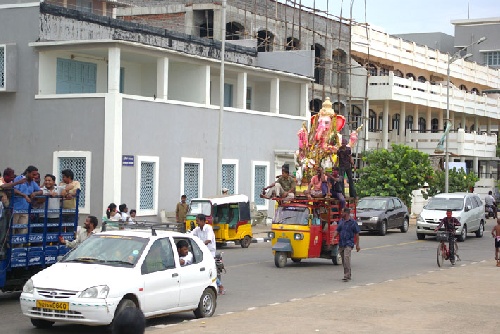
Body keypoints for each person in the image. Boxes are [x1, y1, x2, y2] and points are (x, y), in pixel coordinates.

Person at [13, 166, 43, 234]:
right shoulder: (19, 179)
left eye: (36, 174)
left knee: (23, 231)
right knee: (13, 230)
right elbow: (14, 190)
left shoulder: (32, 182)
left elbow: (40, 191)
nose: (35, 176)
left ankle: (21, 245)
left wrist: (35, 193)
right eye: (33, 174)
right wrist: (24, 195)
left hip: (25, 210)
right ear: (28, 173)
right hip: (16, 209)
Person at [333, 208, 360, 282]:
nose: (341, 213)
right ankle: (348, 273)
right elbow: (337, 230)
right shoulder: (341, 221)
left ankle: (346, 275)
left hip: (349, 243)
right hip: (341, 243)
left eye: (342, 212)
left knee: (346, 258)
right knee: (344, 260)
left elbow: (357, 234)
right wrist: (333, 237)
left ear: (346, 213)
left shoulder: (353, 222)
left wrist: (357, 245)